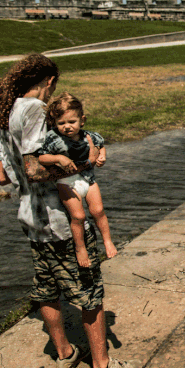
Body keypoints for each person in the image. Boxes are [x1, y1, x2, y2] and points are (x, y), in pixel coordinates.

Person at [0, 54, 141, 368]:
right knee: (89, 292)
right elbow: (33, 168)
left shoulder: (5, 116)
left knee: (47, 289)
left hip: (31, 220)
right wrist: (78, 166)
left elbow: (2, 176)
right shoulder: (32, 111)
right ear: (48, 82)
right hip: (59, 218)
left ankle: (65, 353)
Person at [38, 93, 117, 268]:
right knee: (78, 216)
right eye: (61, 123)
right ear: (55, 123)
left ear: (82, 120)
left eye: (71, 122)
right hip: (66, 182)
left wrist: (102, 157)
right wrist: (58, 158)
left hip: (88, 179)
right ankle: (80, 248)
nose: (67, 127)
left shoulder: (88, 135)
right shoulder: (53, 138)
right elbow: (42, 158)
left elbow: (100, 145)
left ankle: (108, 241)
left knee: (98, 211)